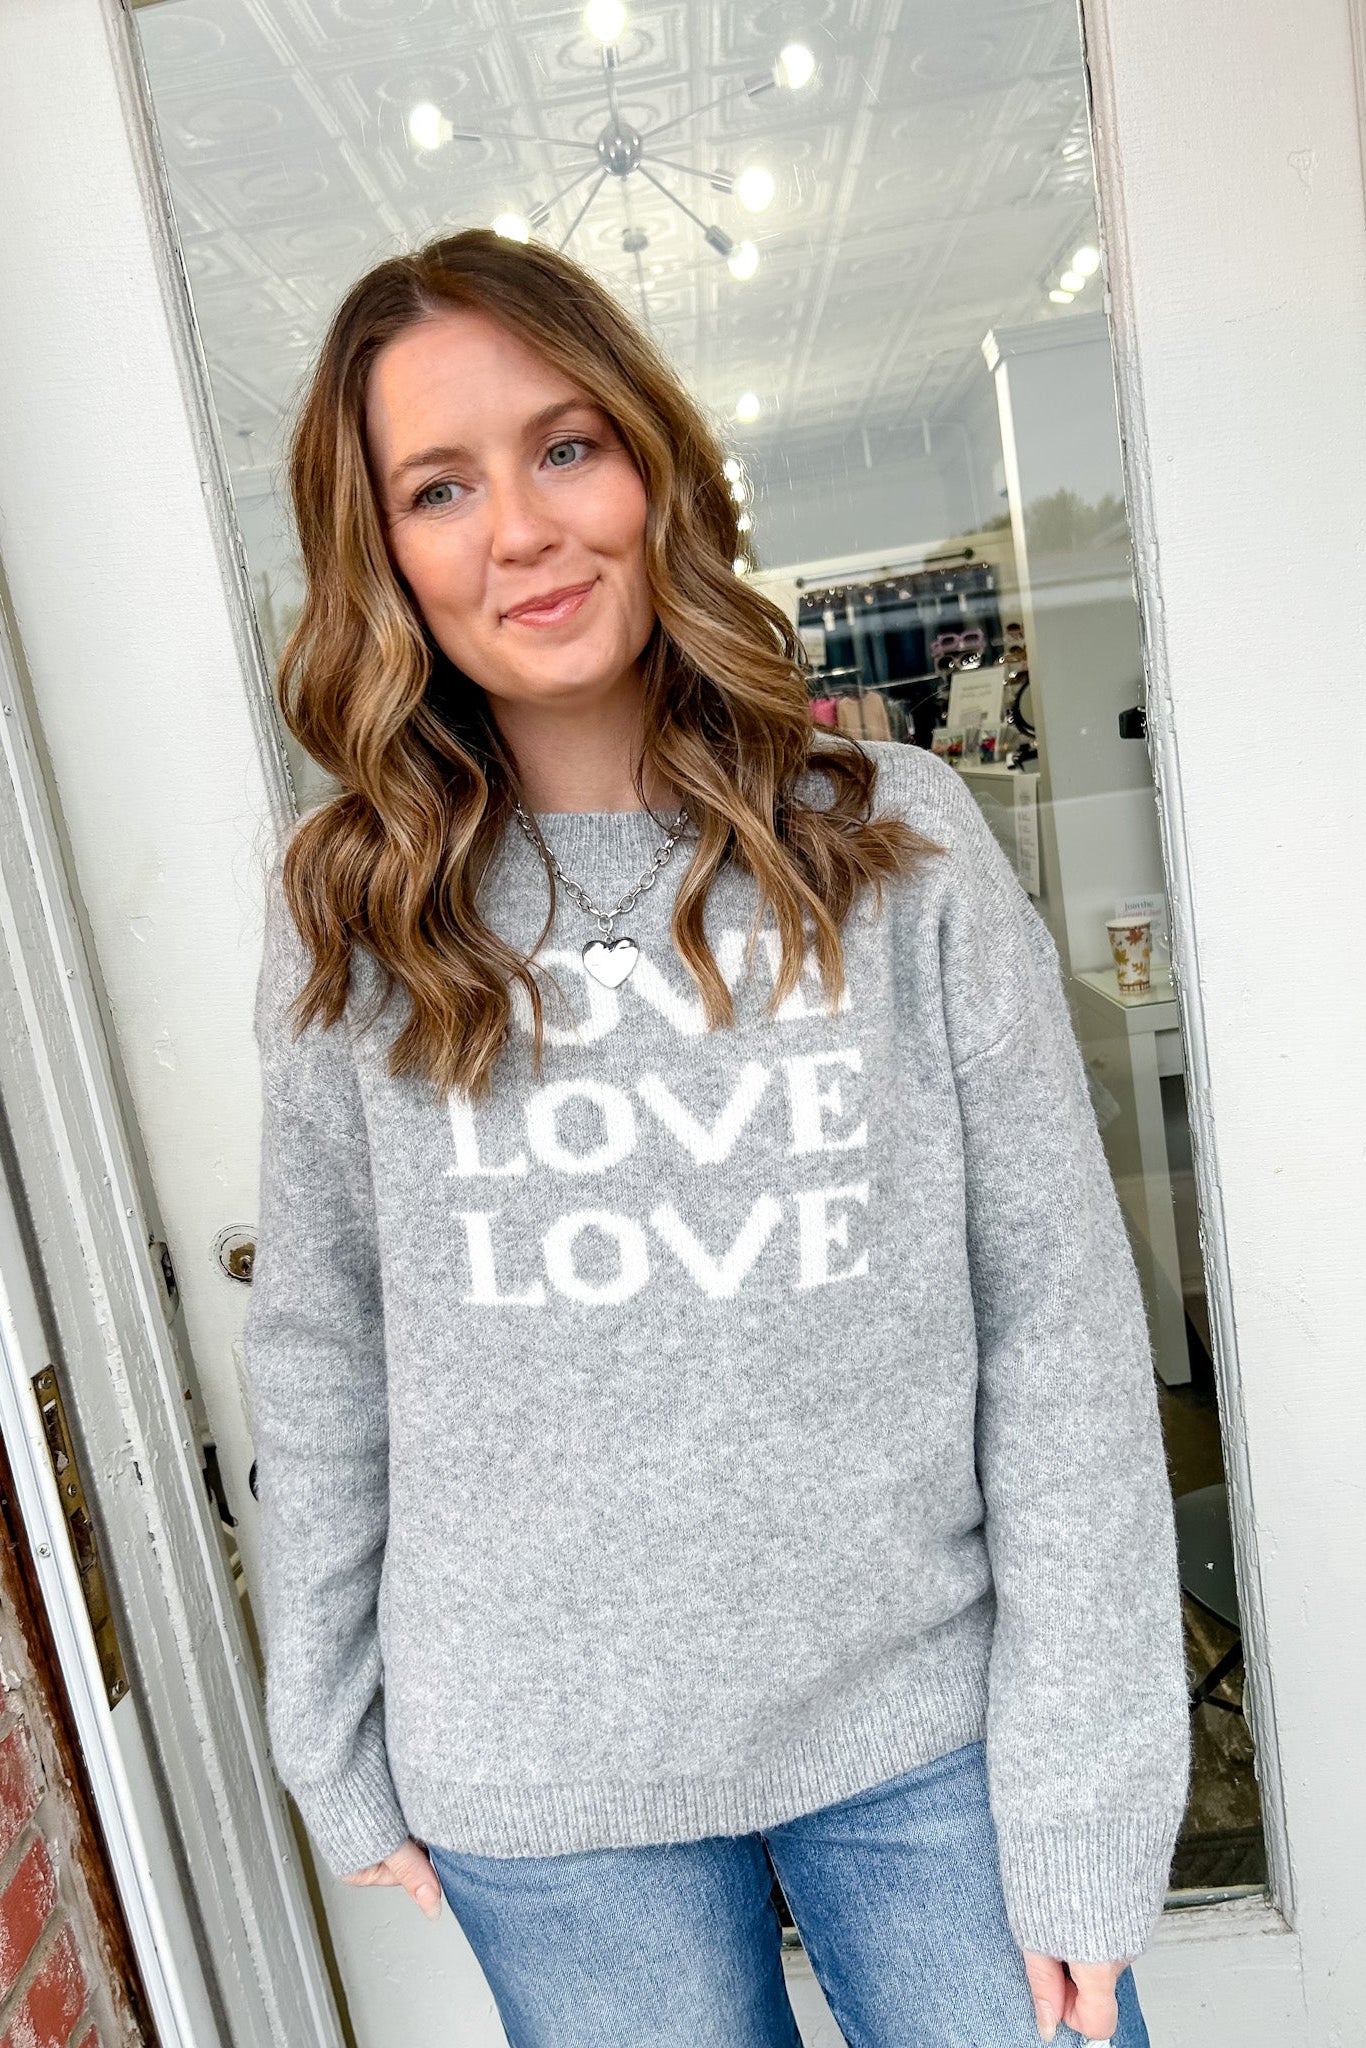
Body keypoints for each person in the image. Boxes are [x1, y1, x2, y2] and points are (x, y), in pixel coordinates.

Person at [242, 228, 1190, 2048]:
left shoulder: (890, 835)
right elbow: (324, 1352)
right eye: (439, 487)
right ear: (387, 558)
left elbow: (1057, 1329)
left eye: (565, 446)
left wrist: (1085, 1788)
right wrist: (332, 1737)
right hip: (542, 1779)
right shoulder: (345, 910)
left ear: (654, 464)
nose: (518, 528)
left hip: (929, 1736)